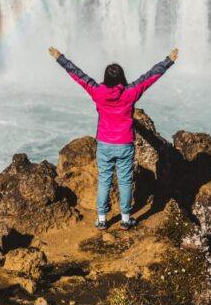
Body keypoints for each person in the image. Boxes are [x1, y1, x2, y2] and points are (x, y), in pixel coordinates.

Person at [49, 46, 178, 230]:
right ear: (121, 77)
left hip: (104, 144)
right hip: (124, 143)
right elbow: (149, 77)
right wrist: (168, 61)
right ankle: (125, 219)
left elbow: (79, 75)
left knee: (105, 180)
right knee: (125, 181)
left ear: (106, 78)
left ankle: (102, 219)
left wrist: (59, 58)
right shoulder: (129, 93)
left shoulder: (98, 92)